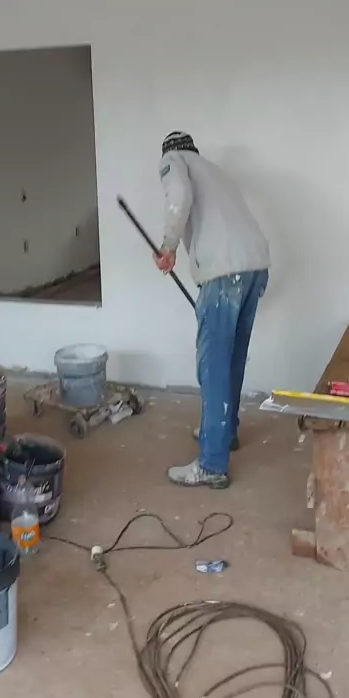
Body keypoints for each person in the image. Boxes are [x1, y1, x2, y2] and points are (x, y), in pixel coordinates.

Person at [154, 131, 270, 489]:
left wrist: (168, 246)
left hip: (224, 273)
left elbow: (179, 196)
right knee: (232, 358)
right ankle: (225, 431)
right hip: (255, 265)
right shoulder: (213, 170)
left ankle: (212, 464)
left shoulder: (173, 161)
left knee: (213, 365)